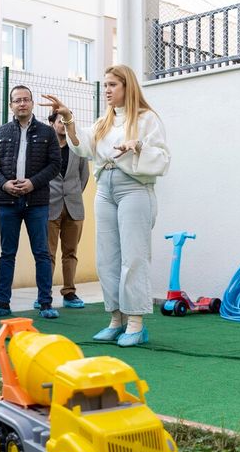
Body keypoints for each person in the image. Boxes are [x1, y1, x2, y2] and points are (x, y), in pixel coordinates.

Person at [40, 65, 170, 346]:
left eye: (112, 85)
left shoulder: (147, 119)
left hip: (134, 188)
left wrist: (138, 147)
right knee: (107, 257)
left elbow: (162, 158)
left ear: (127, 87)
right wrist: (68, 117)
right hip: (105, 189)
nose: (107, 90)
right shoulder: (104, 122)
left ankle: (136, 322)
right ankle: (116, 319)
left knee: (133, 255)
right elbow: (83, 145)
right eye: (106, 85)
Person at [0, 85, 61, 319]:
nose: (22, 104)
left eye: (26, 100)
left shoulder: (47, 133)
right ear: (11, 105)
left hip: (36, 202)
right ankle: (2, 303)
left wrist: (33, 183)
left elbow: (55, 165)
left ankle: (46, 303)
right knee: (7, 253)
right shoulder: (0, 132)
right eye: (17, 100)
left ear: (31, 103)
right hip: (7, 202)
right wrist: (4, 184)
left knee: (42, 252)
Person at [45, 111, 90, 310]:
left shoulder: (77, 146)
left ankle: (69, 292)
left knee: (70, 252)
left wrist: (73, 194)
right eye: (60, 121)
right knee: (47, 254)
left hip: (74, 206)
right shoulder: (45, 147)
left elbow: (84, 176)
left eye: (67, 121)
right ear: (52, 123)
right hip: (49, 206)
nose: (64, 125)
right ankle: (44, 294)